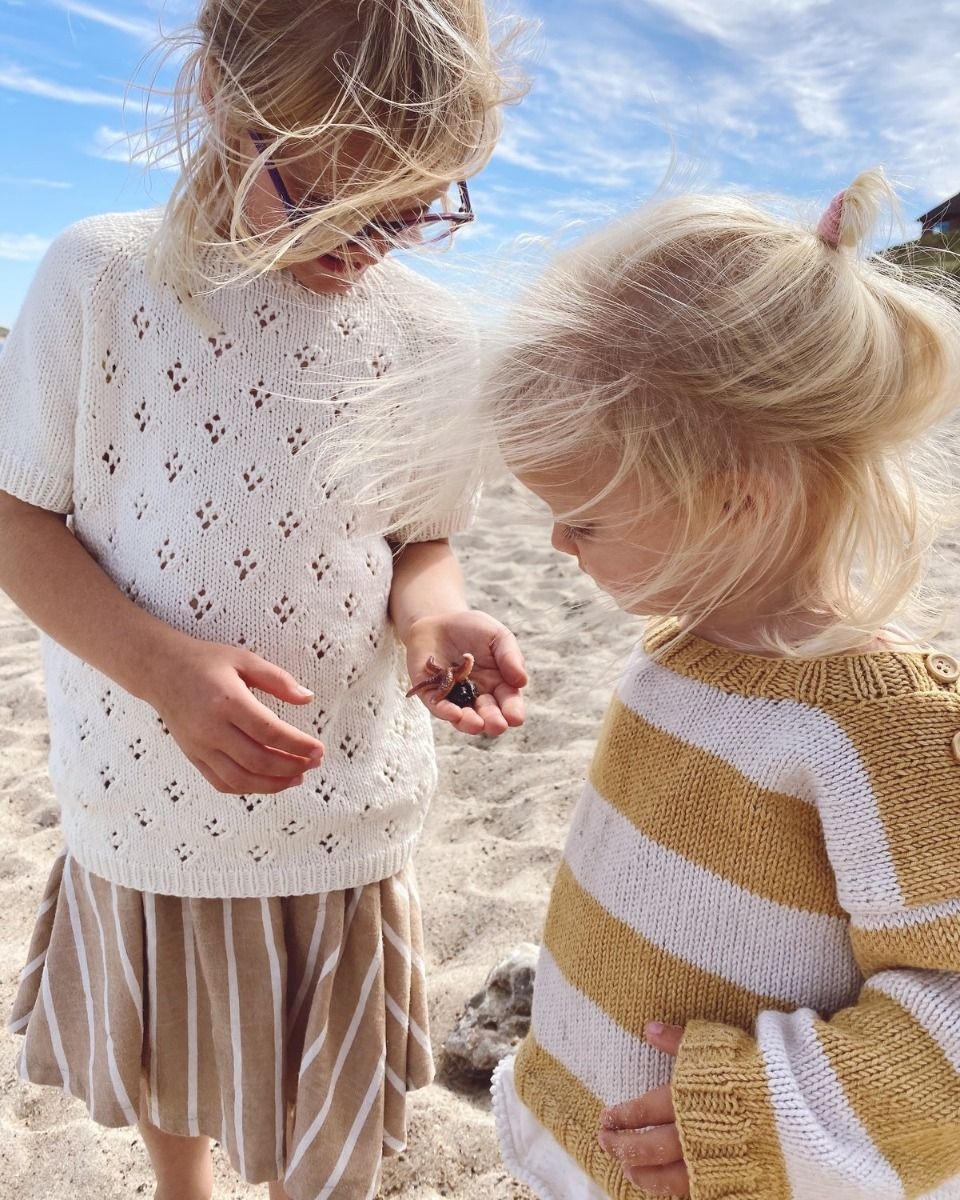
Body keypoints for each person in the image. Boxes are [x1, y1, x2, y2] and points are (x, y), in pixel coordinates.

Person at [0, 3, 527, 1198]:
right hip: (147, 786)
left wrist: (433, 619)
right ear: (218, 104)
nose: (363, 242)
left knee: (328, 1098)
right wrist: (159, 669)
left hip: (345, 801)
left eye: (407, 211)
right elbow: (18, 520)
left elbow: (420, 538)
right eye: (322, 195)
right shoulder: (102, 276)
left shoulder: (430, 332)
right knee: (169, 1044)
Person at [482, 172, 960, 1198]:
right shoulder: (678, 650)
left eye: (586, 519)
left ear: (735, 503)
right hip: (591, 1145)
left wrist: (762, 1118)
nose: (557, 543)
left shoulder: (883, 723)